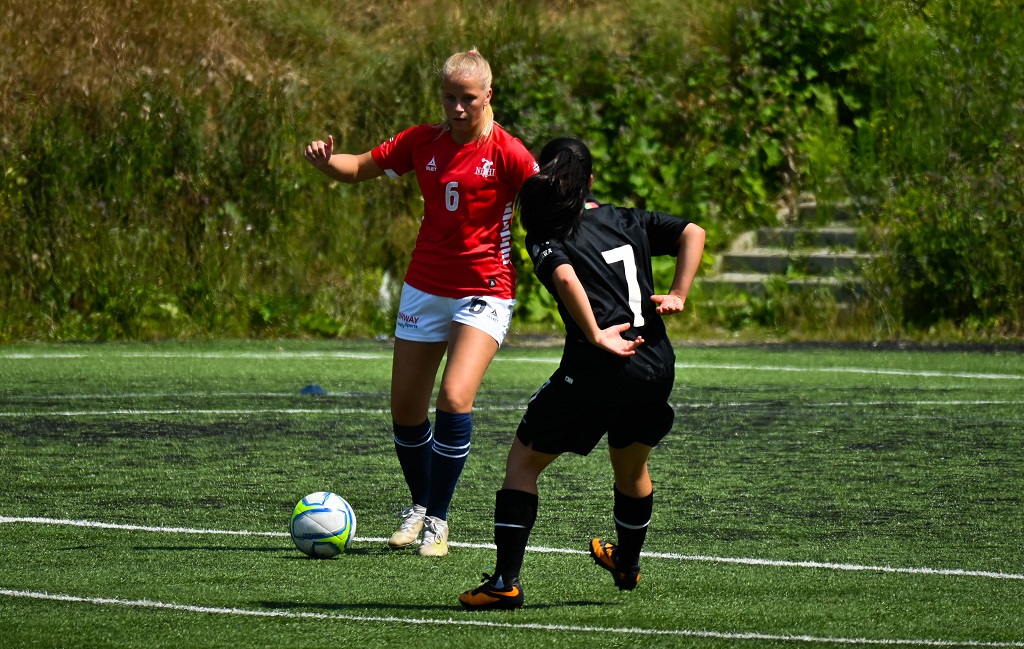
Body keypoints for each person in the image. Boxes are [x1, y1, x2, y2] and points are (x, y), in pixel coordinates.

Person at [304, 50, 538, 557]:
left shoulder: (509, 153)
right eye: (449, 98)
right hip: (424, 287)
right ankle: (419, 503)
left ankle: (438, 518)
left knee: (454, 397)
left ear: (488, 96)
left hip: (485, 288)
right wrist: (328, 164)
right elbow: (360, 166)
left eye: (467, 99)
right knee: (406, 410)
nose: (456, 108)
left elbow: (551, 202)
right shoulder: (422, 141)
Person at [458, 137, 706, 610]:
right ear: (590, 180)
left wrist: (594, 334)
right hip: (654, 363)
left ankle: (505, 583)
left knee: (523, 464)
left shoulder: (546, 233)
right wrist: (679, 292)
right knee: (631, 468)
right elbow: (694, 231)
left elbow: (567, 277)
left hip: (597, 368)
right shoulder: (627, 218)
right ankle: (627, 563)